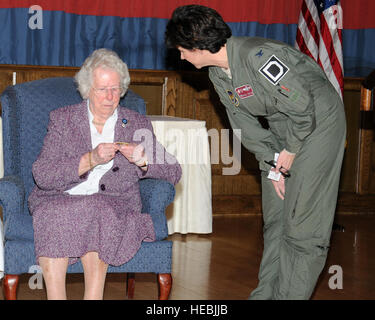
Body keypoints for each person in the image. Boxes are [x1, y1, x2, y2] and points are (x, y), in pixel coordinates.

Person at [165, 5, 346, 300]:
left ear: (198, 44)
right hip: (283, 130)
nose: (181, 56)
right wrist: (273, 163)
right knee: (276, 217)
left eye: (182, 49)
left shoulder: (258, 57)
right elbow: (244, 126)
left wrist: (290, 151)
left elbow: (303, 108)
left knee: (302, 225)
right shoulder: (218, 76)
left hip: (318, 125)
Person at [28, 48, 182, 300]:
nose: (111, 97)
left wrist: (143, 161)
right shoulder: (63, 120)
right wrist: (90, 159)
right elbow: (42, 174)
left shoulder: (135, 124)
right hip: (60, 198)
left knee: (98, 209)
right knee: (52, 213)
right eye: (103, 89)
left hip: (112, 203)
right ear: (88, 89)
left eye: (116, 89)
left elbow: (174, 171)